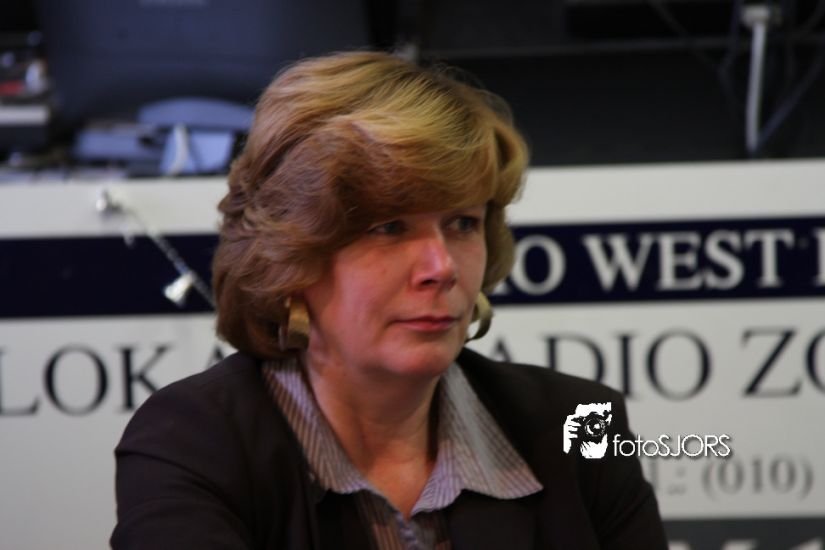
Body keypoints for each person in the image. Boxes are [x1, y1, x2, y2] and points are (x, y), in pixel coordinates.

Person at [111, 51, 667, 550]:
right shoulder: (191, 441)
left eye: (463, 223)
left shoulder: (581, 425)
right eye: (390, 227)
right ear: (289, 256)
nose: (441, 267)